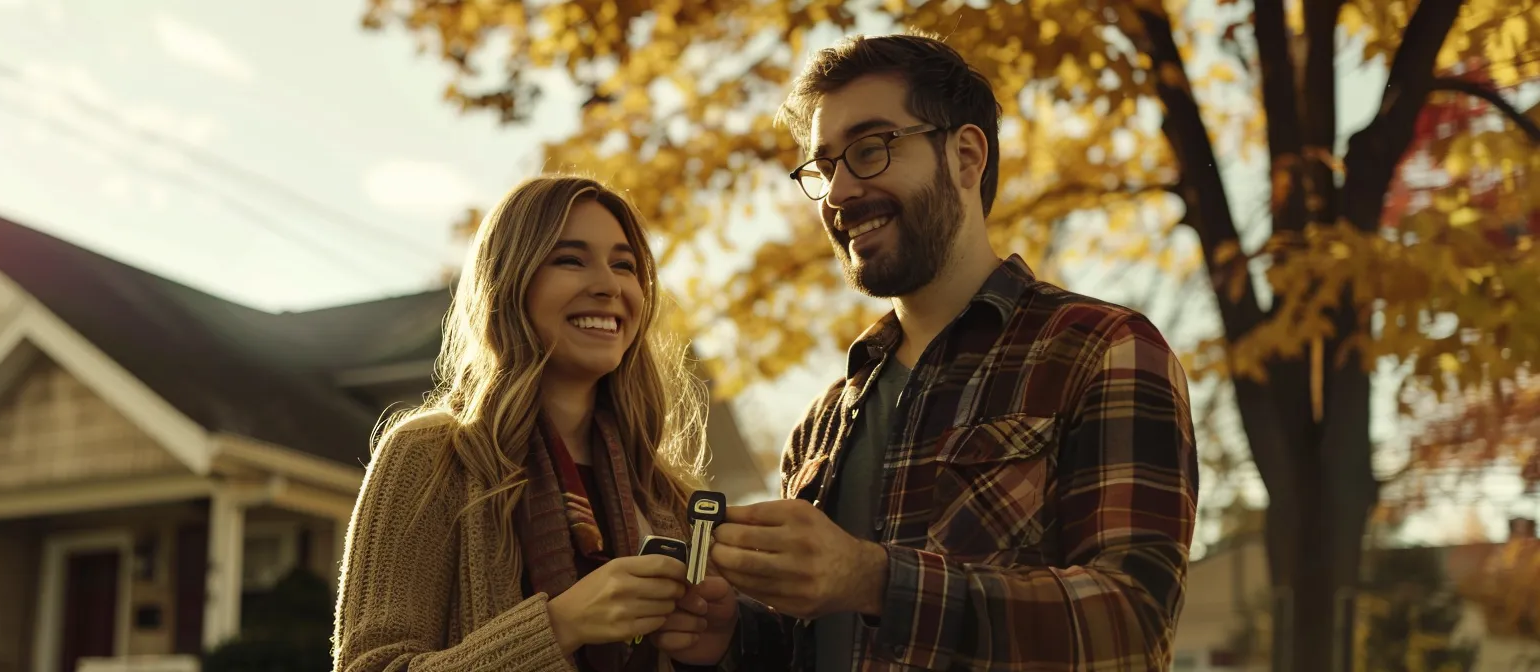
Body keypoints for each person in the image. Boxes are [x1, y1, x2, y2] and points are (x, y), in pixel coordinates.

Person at [653, 32, 1200, 671]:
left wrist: (874, 580)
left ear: (966, 156)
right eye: (824, 167)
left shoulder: (1101, 351)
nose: (838, 193)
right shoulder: (818, 428)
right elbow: (829, 644)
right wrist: (732, 638)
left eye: (870, 149)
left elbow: (1132, 625)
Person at [332, 176, 718, 672]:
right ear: (510, 283)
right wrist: (561, 625)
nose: (608, 285)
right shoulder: (432, 456)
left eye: (624, 265)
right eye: (570, 260)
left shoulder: (665, 495)